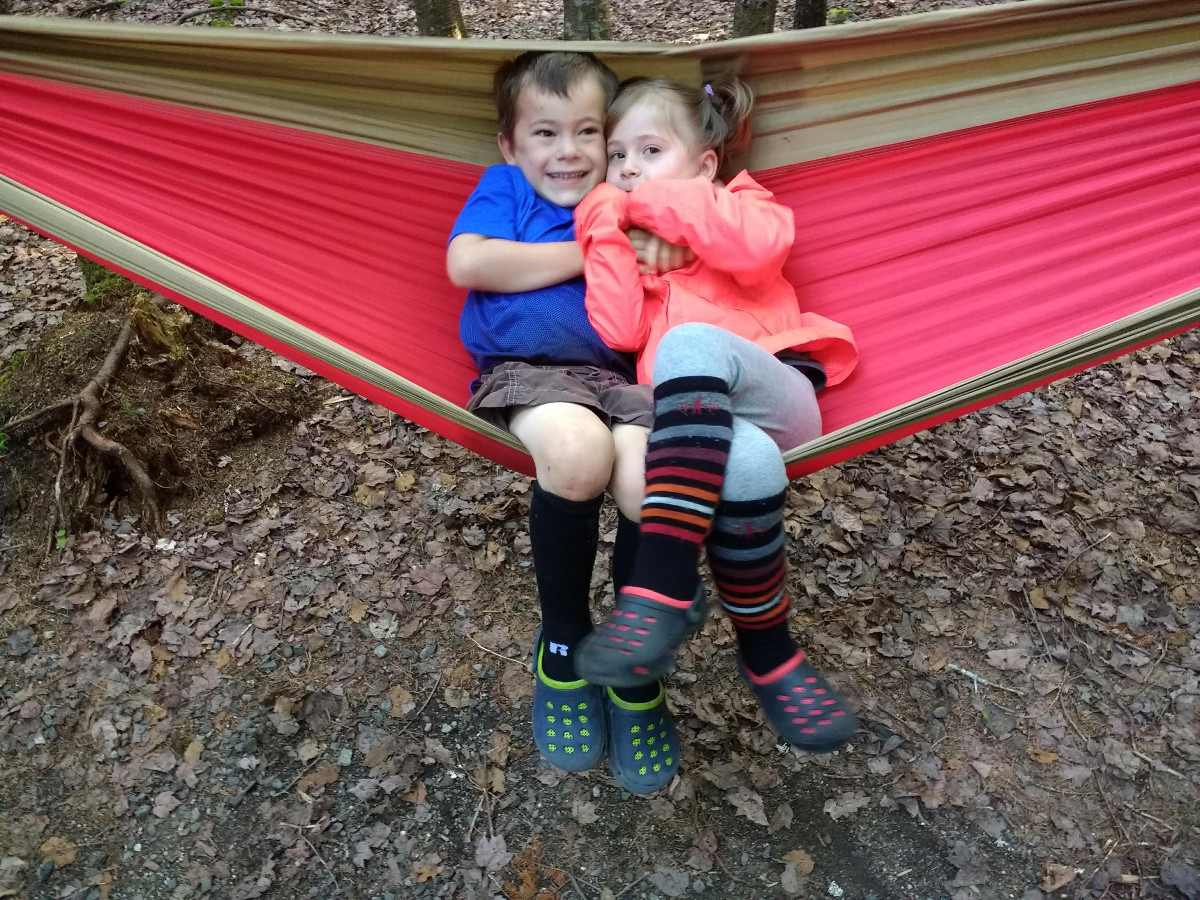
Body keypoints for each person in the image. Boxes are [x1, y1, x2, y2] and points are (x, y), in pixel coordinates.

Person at [573, 77, 862, 754]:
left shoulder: (743, 203)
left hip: (778, 394)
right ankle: (772, 657)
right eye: (618, 157)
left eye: (650, 149)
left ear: (705, 163)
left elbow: (756, 248)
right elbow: (617, 330)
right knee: (751, 463)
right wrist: (605, 224)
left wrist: (661, 206)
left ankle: (662, 590)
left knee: (689, 344)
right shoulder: (639, 245)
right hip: (712, 438)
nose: (631, 169)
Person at [445, 52, 683, 794]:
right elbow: (468, 264)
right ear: (511, 145)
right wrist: (581, 254)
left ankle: (631, 660)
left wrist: (659, 248)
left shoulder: (630, 193)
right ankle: (564, 645)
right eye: (545, 133)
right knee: (579, 458)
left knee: (654, 480)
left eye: (588, 132)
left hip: (625, 378)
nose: (569, 151)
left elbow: (686, 254)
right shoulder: (506, 189)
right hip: (531, 372)